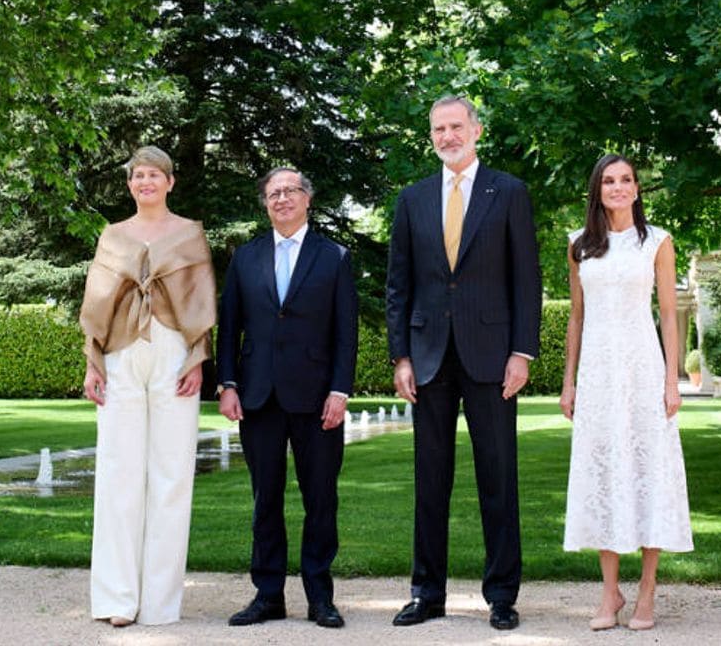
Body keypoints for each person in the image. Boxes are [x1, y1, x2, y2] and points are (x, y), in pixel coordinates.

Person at [386, 95, 542, 631]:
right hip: (428, 359)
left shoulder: (509, 192)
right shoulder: (412, 199)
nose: (447, 136)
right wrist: (400, 355)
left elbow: (527, 280)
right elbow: (398, 286)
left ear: (476, 130)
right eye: (438, 129)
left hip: (492, 358)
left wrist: (522, 352)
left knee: (498, 477)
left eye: (456, 126)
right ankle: (426, 594)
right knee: (430, 479)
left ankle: (502, 595)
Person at [79, 145, 217, 627]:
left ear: (170, 182)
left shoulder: (189, 234)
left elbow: (201, 302)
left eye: (154, 175)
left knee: (172, 475)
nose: (146, 182)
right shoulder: (113, 236)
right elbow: (97, 303)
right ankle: (117, 598)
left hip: (174, 355)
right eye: (138, 175)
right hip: (120, 355)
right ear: (130, 184)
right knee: (118, 473)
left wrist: (198, 359)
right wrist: (93, 363)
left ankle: (160, 603)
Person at [217, 167, 358, 629]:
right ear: (265, 203)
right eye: (273, 193)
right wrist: (228, 384)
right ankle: (268, 594)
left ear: (307, 199)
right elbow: (229, 327)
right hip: (257, 397)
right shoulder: (246, 258)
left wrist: (340, 390)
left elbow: (345, 334)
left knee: (321, 499)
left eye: (290, 191)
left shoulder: (334, 257)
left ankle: (320, 597)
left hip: (318, 399)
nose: (281, 199)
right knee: (265, 500)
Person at [561, 153, 693, 632]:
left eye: (627, 180)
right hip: (597, 374)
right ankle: (609, 592)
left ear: (637, 189)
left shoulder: (656, 241)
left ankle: (646, 592)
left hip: (641, 371)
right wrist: (569, 380)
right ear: (597, 190)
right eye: (609, 181)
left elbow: (666, 313)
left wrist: (670, 380)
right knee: (603, 475)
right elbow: (576, 318)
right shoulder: (580, 246)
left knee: (648, 473)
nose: (618, 187)